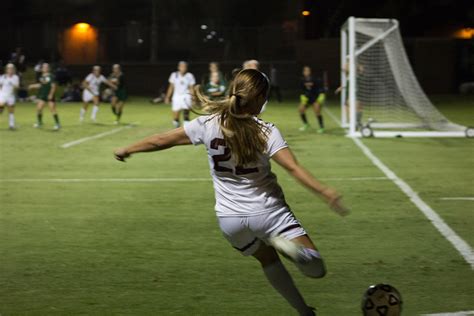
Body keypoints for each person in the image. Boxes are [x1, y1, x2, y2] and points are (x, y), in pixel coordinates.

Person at [114, 69, 348, 316]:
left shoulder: (207, 123)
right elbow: (292, 167)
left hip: (230, 220)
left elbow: (162, 140)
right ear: (259, 99)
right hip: (269, 212)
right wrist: (324, 191)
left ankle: (303, 310)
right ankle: (294, 250)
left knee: (268, 260)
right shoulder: (265, 130)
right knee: (316, 269)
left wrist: (129, 148)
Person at [28, 63, 61, 130]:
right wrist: (33, 86)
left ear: (48, 68)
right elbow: (41, 85)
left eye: (46, 67)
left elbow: (53, 86)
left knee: (52, 109)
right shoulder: (41, 77)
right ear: (42, 69)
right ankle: (39, 123)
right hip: (42, 95)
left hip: (49, 95)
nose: (44, 68)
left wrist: (51, 94)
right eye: (43, 67)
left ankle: (57, 124)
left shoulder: (51, 76)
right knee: (39, 109)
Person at [165, 61, 195, 128]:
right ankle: (177, 127)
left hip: (186, 96)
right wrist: (167, 97)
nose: (183, 68)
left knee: (186, 115)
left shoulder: (190, 76)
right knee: (175, 117)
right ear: (178, 67)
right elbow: (171, 87)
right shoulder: (174, 75)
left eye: (184, 66)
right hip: (177, 97)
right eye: (181, 66)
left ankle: (186, 131)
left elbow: (191, 88)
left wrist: (193, 98)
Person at [298, 66, 326, 133]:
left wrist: (321, 95)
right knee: (301, 109)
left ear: (310, 72)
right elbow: (301, 89)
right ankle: (306, 124)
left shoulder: (315, 79)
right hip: (307, 98)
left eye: (308, 71)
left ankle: (322, 127)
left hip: (315, 97)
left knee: (317, 112)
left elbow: (321, 88)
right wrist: (302, 96)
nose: (306, 72)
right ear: (303, 72)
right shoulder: (302, 80)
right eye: (305, 71)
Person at [0, 63, 20, 130]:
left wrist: (12, 84)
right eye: (9, 69)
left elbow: (17, 87)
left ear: (13, 69)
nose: (10, 70)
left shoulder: (15, 77)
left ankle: (11, 125)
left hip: (11, 96)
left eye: (11, 69)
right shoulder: (3, 76)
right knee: (0, 108)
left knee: (11, 110)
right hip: (3, 94)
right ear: (6, 69)